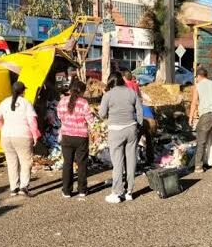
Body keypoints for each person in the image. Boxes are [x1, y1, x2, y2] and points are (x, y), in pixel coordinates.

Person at [99, 71, 143, 204]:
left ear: (111, 82)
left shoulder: (108, 95)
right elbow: (139, 112)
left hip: (116, 131)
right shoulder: (131, 92)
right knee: (131, 160)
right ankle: (129, 191)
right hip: (131, 129)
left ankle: (117, 193)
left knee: (118, 163)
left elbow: (101, 114)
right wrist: (138, 127)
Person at [0, 81, 41, 198]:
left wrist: (3, 128)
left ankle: (13, 188)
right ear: (23, 91)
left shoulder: (4, 102)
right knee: (26, 162)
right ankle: (23, 187)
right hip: (23, 136)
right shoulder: (26, 103)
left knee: (11, 163)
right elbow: (32, 121)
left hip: (6, 136)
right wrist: (35, 135)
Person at [57, 81, 94, 198]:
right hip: (81, 137)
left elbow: (59, 116)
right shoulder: (84, 103)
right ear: (81, 91)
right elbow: (90, 120)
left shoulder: (62, 101)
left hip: (66, 136)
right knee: (81, 163)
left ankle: (67, 191)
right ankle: (82, 190)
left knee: (67, 163)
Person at [139, 103, 157, 168]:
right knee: (150, 142)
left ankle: (132, 162)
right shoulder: (146, 104)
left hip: (144, 120)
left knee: (134, 143)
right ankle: (150, 160)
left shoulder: (133, 103)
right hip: (152, 121)